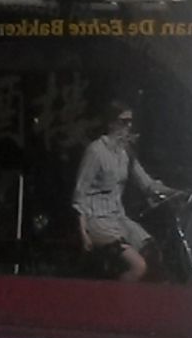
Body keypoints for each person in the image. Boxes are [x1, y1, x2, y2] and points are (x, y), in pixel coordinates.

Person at [72, 100, 177, 281]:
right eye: (124, 121)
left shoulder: (126, 153)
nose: (128, 127)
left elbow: (147, 184)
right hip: (98, 220)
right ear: (111, 123)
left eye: (130, 122)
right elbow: (80, 193)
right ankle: (115, 294)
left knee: (153, 253)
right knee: (138, 266)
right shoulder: (96, 151)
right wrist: (83, 232)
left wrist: (175, 192)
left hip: (119, 218)